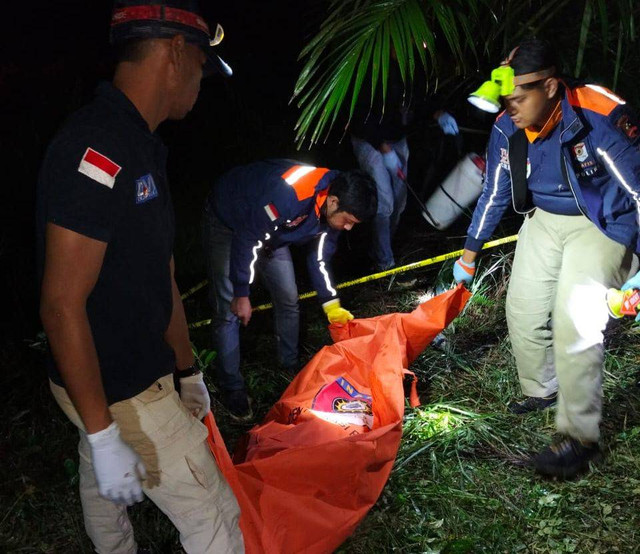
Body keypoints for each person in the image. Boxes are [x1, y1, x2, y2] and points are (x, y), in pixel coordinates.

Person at [37, 1, 244, 551]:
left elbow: (162, 272)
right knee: (218, 518)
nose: (201, 82)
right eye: (202, 64)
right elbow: (61, 304)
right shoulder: (99, 147)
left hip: (110, 381)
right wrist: (106, 434)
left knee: (105, 507)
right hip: (119, 386)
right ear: (177, 53)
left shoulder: (141, 144)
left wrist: (188, 370)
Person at [456, 38, 640, 479]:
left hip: (602, 220)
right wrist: (469, 253)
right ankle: (542, 388)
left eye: (519, 99)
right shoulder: (508, 126)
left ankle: (580, 438)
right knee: (522, 306)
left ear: (552, 87)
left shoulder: (597, 116)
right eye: (506, 100)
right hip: (544, 219)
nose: (510, 108)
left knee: (575, 315)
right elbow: (496, 191)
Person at [203, 160, 377, 419]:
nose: (349, 227)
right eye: (349, 221)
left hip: (273, 232)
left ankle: (289, 366)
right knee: (229, 311)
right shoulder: (291, 195)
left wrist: (331, 304)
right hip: (231, 221)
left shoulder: (337, 206)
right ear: (333, 202)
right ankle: (233, 388)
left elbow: (319, 259)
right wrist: (242, 292)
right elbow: (247, 237)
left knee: (288, 298)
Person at [350, 53, 459, 274]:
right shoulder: (372, 68)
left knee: (399, 202)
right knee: (386, 202)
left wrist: (438, 114)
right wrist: (383, 148)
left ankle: (380, 248)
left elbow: (419, 100)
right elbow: (360, 115)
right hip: (370, 140)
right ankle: (384, 264)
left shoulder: (411, 64)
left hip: (397, 138)